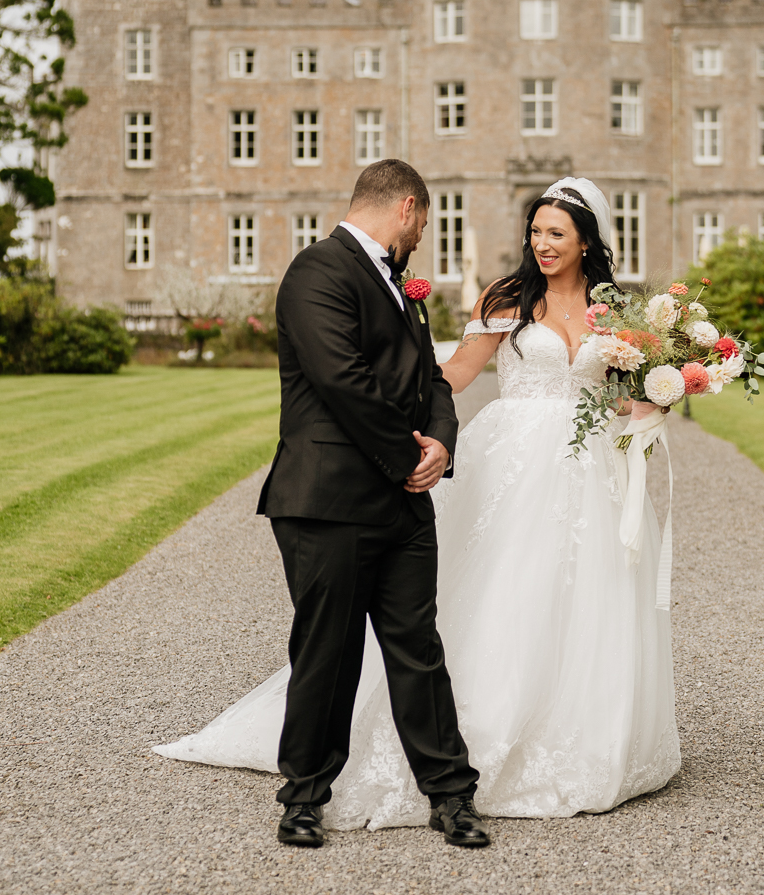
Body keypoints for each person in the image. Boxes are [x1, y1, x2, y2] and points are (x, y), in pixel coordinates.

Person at [159, 175, 679, 831]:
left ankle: (527, 756)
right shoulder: (505, 298)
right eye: (536, 230)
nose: (541, 243)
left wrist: (669, 385)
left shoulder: (615, 313)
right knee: (486, 595)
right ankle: (339, 788)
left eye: (556, 233)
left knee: (580, 602)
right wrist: (428, 437)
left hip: (588, 467)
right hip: (512, 459)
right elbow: (453, 371)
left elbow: (624, 399)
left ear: (586, 242)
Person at [169, 159, 487, 850]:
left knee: (417, 649)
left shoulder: (404, 291)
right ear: (406, 208)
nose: (419, 241)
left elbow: (430, 379)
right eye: (423, 226)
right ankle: (304, 797)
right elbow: (343, 382)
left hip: (402, 508)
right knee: (328, 650)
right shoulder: (317, 272)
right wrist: (410, 460)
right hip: (328, 500)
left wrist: (441, 441)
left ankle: (451, 794)